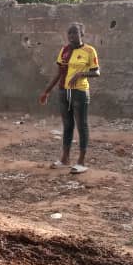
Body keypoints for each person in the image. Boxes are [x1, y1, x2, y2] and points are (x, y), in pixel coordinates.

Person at [39, 23, 101, 174]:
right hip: (64, 91)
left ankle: (81, 161)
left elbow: (96, 72)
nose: (71, 36)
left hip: (79, 92)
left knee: (82, 125)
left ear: (82, 34)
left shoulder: (89, 50)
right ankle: (65, 158)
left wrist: (81, 74)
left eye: (75, 33)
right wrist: (46, 91)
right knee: (67, 125)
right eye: (69, 34)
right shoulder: (64, 50)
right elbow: (59, 73)